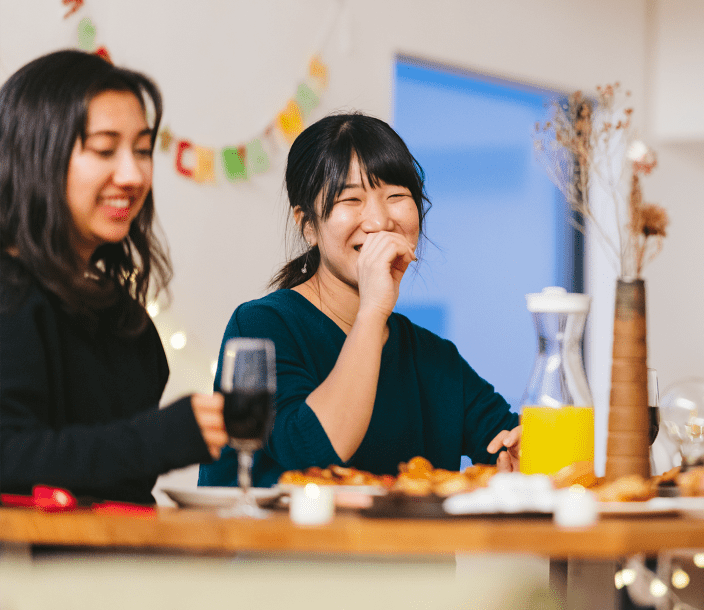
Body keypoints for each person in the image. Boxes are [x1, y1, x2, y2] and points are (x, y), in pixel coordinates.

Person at [199, 113, 521, 488]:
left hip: (406, 549)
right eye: (350, 199)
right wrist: (373, 309)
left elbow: (508, 445)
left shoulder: (435, 358)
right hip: (279, 547)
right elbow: (312, 450)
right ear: (308, 225)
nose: (379, 220)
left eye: (397, 196)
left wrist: (519, 453)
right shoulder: (262, 326)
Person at [0, 50, 227, 505]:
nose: (132, 175)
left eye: (142, 150)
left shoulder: (124, 317)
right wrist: (164, 437)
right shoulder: (10, 295)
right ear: (36, 153)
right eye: (104, 149)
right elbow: (10, 458)